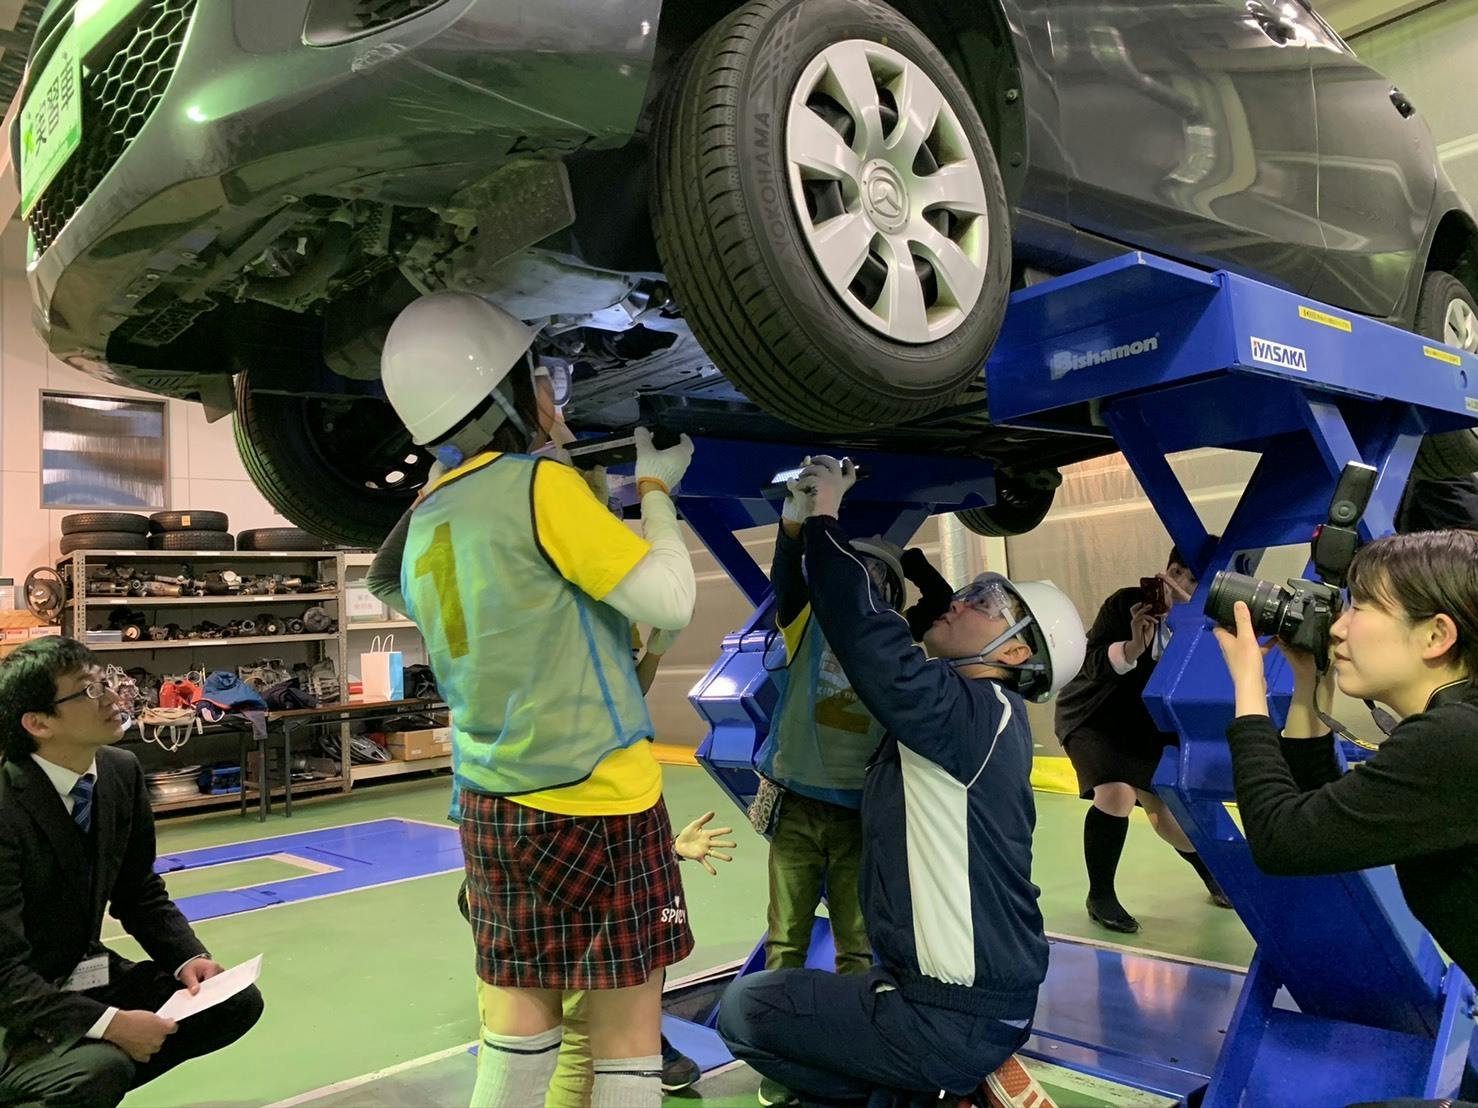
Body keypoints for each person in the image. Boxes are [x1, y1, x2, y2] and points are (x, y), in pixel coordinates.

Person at [367, 291, 699, 1108]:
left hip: (493, 805)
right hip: (600, 799)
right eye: (538, 375)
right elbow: (671, 599)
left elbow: (397, 583)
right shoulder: (537, 487)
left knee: (516, 1033)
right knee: (624, 1035)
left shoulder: (429, 517)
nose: (552, 389)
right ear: (501, 395)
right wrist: (656, 490)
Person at [719, 456, 1087, 1106]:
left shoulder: (966, 712)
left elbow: (868, 632)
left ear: (1014, 652)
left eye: (987, 604)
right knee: (804, 953)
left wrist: (825, 514)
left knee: (748, 1010)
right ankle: (934, 1082)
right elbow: (859, 623)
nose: (962, 601)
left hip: (950, 1011)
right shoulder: (978, 712)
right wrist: (800, 530)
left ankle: (933, 1084)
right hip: (959, 996)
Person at [0, 638, 264, 1108]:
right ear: (38, 723)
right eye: (88, 690)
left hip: (82, 973)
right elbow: (4, 972)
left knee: (232, 1003)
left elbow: (138, 891)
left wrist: (188, 958)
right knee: (99, 1070)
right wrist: (109, 1025)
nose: (111, 697)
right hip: (12, 1001)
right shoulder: (6, 806)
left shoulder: (119, 771)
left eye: (105, 682)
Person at [1213, 529, 1478, 985]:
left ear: (1436, 635)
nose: (1338, 627)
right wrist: (1309, 685)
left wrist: (1250, 689)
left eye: (1361, 607)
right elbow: (1321, 820)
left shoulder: (1452, 740)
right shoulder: (1458, 727)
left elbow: (1281, 840)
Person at [751, 488, 907, 1106]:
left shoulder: (897, 646)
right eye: (856, 570)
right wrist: (792, 526)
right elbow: (786, 579)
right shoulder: (806, 622)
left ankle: (854, 1052)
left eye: (877, 577)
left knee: (857, 945)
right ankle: (781, 1053)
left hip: (858, 817)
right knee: (785, 939)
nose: (864, 582)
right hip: (795, 808)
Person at [1052, 547, 1232, 933]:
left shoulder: (1209, 623)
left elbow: (1208, 681)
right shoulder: (1126, 604)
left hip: (1147, 725)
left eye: (1192, 579)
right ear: (1164, 570)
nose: (1179, 584)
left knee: (1167, 817)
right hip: (1093, 715)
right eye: (1176, 572)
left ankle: (1211, 874)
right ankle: (1100, 895)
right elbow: (1090, 664)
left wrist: (1188, 628)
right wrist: (1133, 646)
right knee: (1116, 793)